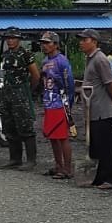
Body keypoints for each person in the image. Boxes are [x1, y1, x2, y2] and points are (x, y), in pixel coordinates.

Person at [78, 32, 112, 190]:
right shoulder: (90, 58)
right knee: (95, 145)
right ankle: (99, 176)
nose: (81, 43)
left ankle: (111, 178)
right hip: (92, 109)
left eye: (85, 40)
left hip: (102, 109)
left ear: (94, 41)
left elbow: (110, 83)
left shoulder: (100, 59)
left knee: (105, 145)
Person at [0, 30, 40, 170]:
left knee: (25, 126)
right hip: (7, 93)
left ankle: (31, 160)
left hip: (20, 93)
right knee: (9, 126)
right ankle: (15, 158)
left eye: (13, 38)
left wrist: (28, 90)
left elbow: (35, 75)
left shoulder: (25, 54)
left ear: (18, 39)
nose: (10, 41)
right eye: (8, 38)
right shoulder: (5, 55)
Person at [38, 32, 75, 180]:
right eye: (43, 43)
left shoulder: (62, 61)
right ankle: (58, 165)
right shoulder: (44, 61)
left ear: (56, 44)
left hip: (60, 102)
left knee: (62, 136)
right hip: (49, 101)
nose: (44, 46)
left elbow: (69, 84)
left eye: (48, 43)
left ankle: (67, 168)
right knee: (52, 136)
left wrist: (68, 104)